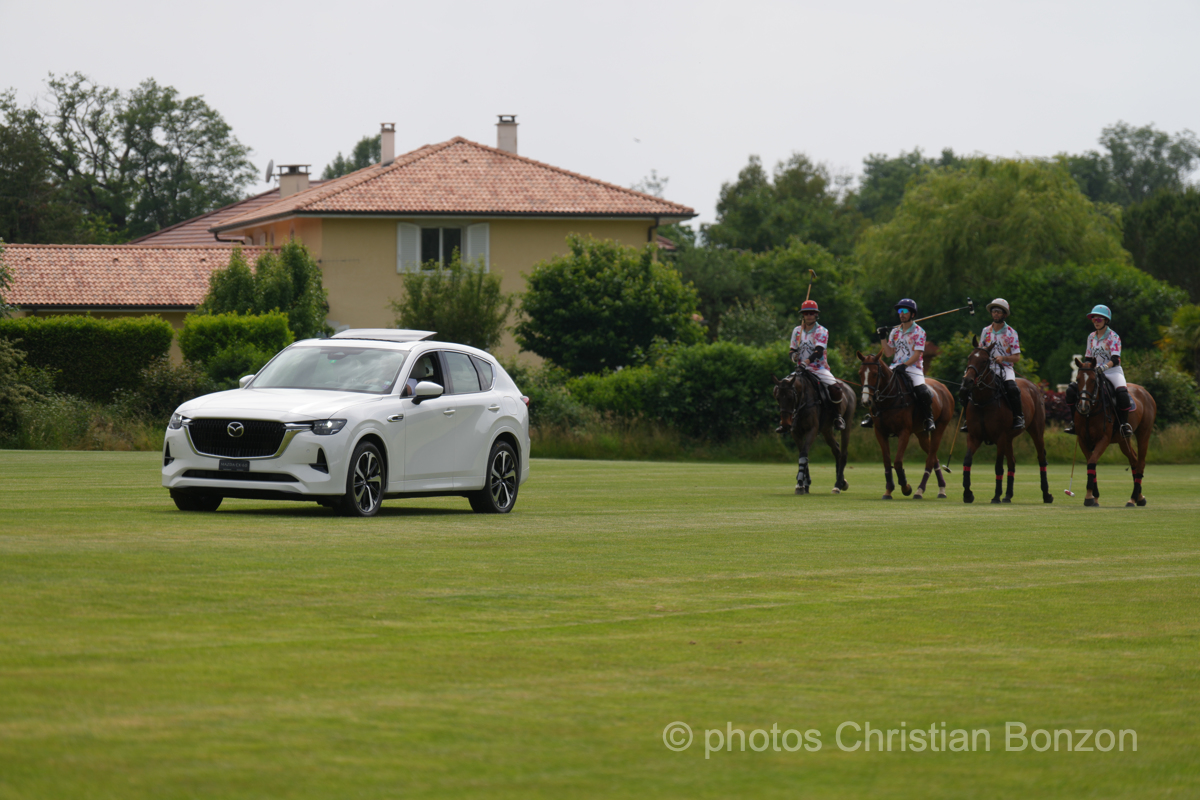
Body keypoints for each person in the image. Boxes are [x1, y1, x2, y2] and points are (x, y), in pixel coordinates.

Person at [862, 298, 935, 432]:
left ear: (912, 314)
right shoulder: (895, 332)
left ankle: (929, 418)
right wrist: (883, 337)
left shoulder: (919, 332)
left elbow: (918, 354)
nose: (901, 314)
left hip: (914, 367)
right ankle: (872, 415)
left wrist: (905, 365)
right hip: (895, 366)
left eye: (905, 311)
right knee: (879, 384)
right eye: (900, 311)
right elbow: (889, 353)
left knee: (922, 390)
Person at [1064, 305, 1133, 438]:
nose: (1096, 321)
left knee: (1122, 393)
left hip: (1112, 371)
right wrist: (1086, 367)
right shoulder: (1091, 337)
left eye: (1099, 319)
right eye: (1093, 319)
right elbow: (1088, 358)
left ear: (1106, 320)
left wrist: (1104, 368)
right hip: (1093, 372)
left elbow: (1115, 359)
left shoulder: (1114, 337)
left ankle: (1124, 425)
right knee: (1071, 390)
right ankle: (1074, 422)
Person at [958, 298, 1025, 431]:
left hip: (1005, 368)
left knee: (1012, 388)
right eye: (994, 311)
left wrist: (1004, 358)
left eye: (999, 312)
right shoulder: (986, 331)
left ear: (1004, 314)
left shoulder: (1011, 333)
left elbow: (1017, 357)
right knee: (965, 388)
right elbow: (982, 350)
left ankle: (1018, 417)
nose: (995, 314)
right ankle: (968, 418)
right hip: (987, 368)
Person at [784, 300, 846, 431]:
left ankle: (837, 417)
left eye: (811, 313)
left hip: (819, 369)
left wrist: (806, 362)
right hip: (801, 369)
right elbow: (792, 350)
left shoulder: (821, 330)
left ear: (816, 315)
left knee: (836, 388)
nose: (809, 315)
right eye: (806, 313)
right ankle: (786, 419)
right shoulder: (797, 331)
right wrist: (794, 356)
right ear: (803, 315)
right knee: (783, 387)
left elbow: (818, 352)